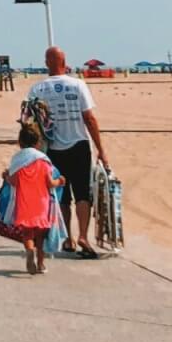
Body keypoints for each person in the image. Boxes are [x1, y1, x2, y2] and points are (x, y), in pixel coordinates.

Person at [26, 46, 110, 257]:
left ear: (47, 64)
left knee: (61, 196)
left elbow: (30, 123)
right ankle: (83, 235)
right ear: (65, 63)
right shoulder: (78, 85)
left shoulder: (37, 89)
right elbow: (89, 118)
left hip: (53, 148)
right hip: (79, 145)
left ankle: (68, 239)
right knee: (83, 194)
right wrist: (101, 149)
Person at [0, 122, 63, 274]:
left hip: (24, 204)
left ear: (20, 143)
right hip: (42, 204)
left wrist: (6, 176)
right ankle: (40, 264)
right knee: (41, 236)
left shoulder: (18, 161)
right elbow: (50, 183)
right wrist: (60, 181)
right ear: (38, 143)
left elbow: (13, 182)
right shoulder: (44, 162)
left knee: (28, 234)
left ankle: (29, 251)